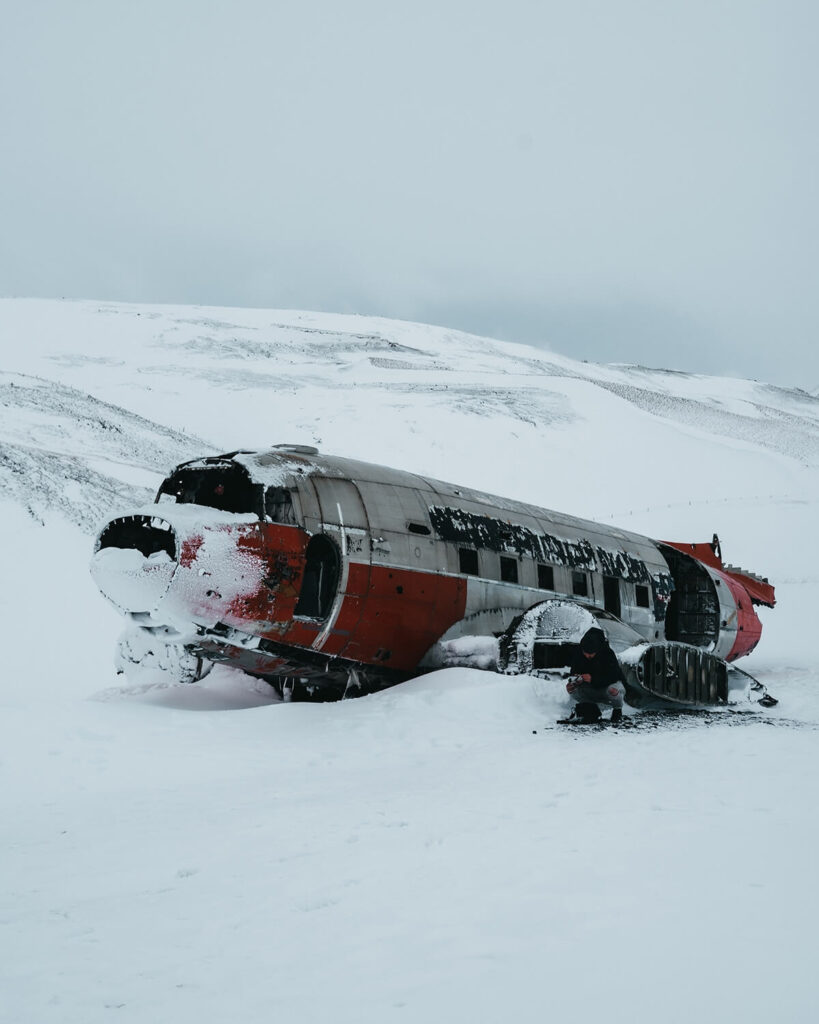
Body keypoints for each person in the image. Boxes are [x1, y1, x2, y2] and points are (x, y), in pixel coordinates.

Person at [566, 626, 626, 723]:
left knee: (613, 689)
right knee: (572, 690)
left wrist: (593, 679)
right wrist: (575, 681)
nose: (588, 656)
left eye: (591, 654)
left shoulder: (608, 653)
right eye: (585, 653)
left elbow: (614, 676)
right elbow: (573, 673)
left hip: (606, 687)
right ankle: (589, 709)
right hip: (589, 688)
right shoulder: (578, 653)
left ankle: (617, 709)